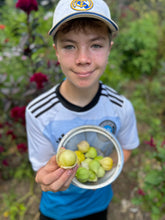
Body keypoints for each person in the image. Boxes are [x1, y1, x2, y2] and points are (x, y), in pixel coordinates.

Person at [25, 0, 139, 219]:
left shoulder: (121, 108)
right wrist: (45, 179)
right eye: (69, 46)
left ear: (109, 49)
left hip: (98, 205)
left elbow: (126, 147)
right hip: (57, 211)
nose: (83, 59)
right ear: (56, 51)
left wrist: (103, 170)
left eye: (96, 45)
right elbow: (42, 169)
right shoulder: (38, 113)